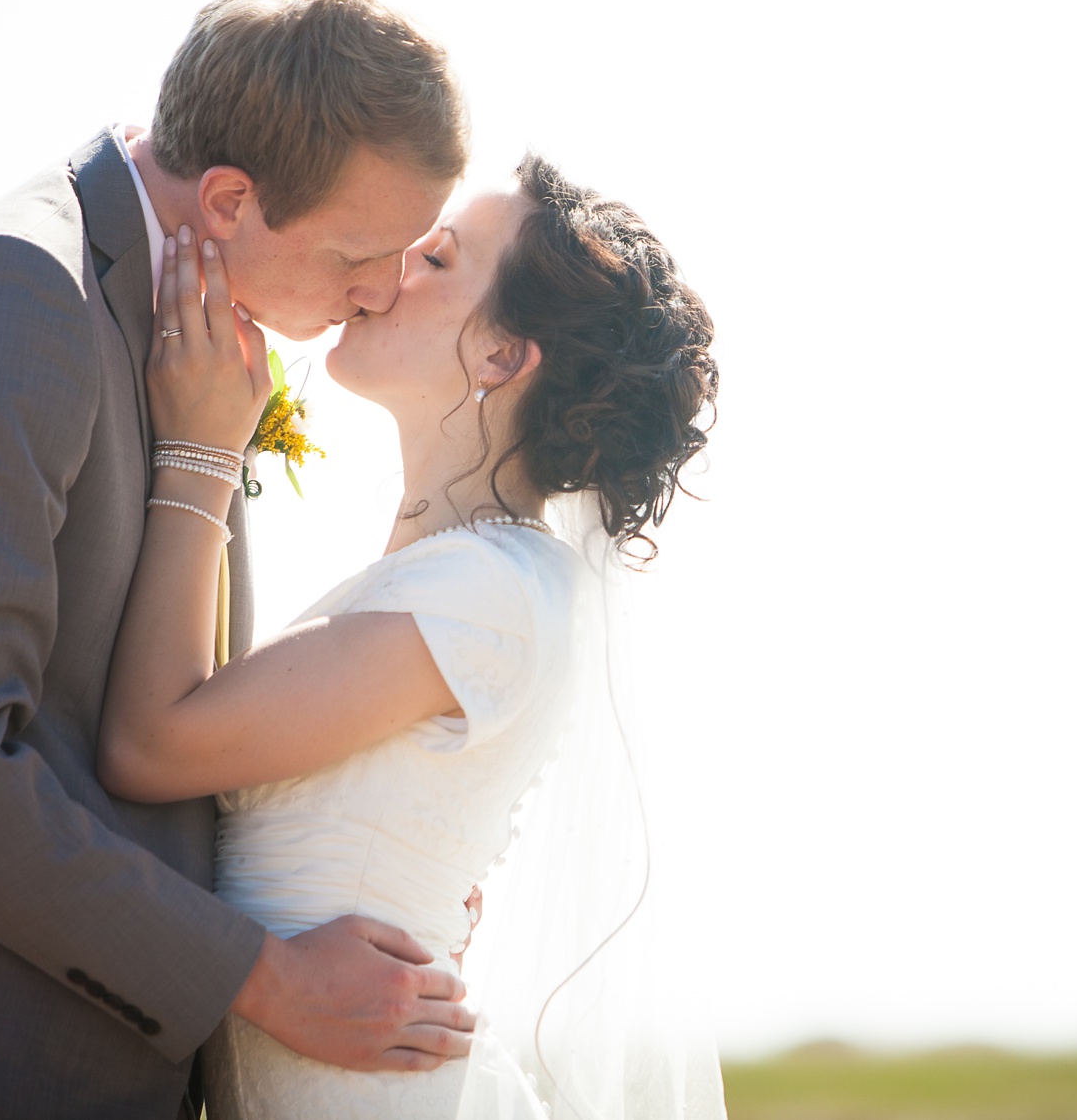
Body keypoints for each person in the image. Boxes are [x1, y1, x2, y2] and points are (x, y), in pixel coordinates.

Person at [0, 0, 481, 1120]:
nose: (377, 294)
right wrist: (267, 981)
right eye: (359, 254)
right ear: (226, 199)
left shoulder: (194, 325)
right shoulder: (12, 297)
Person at [95, 154, 720, 1118]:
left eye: (437, 260)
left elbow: (149, 745)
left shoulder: (490, 592)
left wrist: (200, 450)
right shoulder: (464, 578)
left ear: (502, 358)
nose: (389, 269)